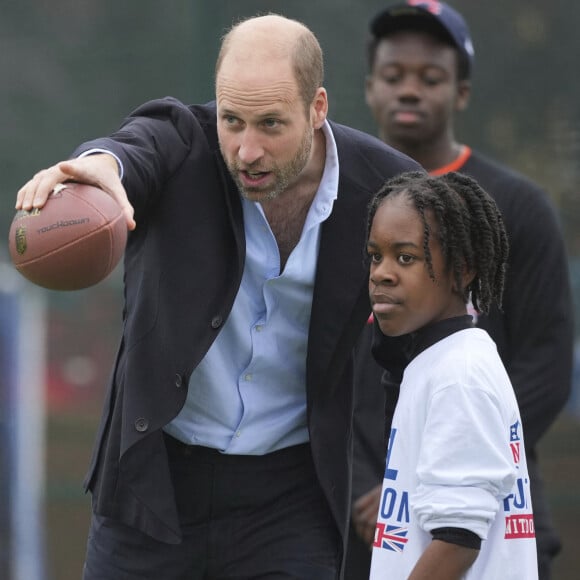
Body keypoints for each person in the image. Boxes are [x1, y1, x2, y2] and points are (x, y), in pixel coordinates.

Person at [16, 13, 421, 580]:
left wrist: (403, 470)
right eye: (232, 120)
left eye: (270, 125)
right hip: (154, 486)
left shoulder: (391, 189)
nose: (247, 150)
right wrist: (96, 169)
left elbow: (430, 341)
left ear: (318, 108)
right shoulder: (184, 143)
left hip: (290, 501)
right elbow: (135, 147)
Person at [347, 2, 574, 579]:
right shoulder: (339, 204)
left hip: (483, 515)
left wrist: (448, 461)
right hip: (363, 513)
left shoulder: (515, 207)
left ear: (463, 92)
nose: (410, 91)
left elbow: (547, 361)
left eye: (431, 78)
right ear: (370, 88)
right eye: (394, 76)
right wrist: (365, 481)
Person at [367, 170, 538, 579]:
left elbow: (457, 540)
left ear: (462, 271)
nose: (381, 273)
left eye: (405, 257)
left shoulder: (458, 374)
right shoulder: (443, 361)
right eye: (376, 255)